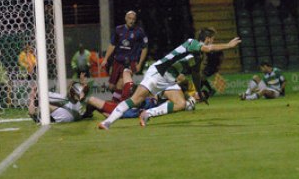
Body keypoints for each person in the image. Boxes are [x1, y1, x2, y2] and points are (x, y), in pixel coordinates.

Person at [98, 28, 241, 130]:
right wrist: (228, 45)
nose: (212, 42)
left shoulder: (198, 57)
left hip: (169, 79)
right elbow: (208, 49)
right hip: (159, 72)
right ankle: (107, 122)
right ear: (208, 39)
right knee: (136, 100)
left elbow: (196, 75)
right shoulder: (192, 43)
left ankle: (147, 113)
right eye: (212, 39)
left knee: (181, 104)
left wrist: (199, 93)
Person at [101, 10, 148, 101]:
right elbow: (112, 45)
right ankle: (127, 96)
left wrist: (140, 64)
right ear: (126, 19)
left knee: (121, 83)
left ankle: (116, 104)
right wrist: (105, 59)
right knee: (111, 87)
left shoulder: (139, 32)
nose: (131, 21)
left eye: (133, 19)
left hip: (130, 62)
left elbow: (145, 48)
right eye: (129, 18)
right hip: (117, 61)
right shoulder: (118, 29)